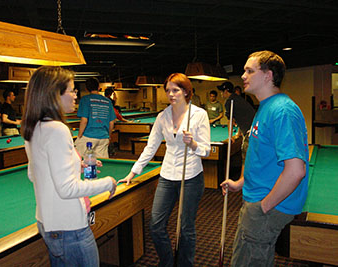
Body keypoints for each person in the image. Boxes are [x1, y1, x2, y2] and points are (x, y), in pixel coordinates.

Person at [21, 66, 117, 266]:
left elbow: (34, 173)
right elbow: (67, 189)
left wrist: (76, 166)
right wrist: (107, 183)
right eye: (72, 91)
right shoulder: (57, 129)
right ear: (55, 95)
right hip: (70, 227)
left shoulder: (34, 127)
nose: (76, 96)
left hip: (47, 223)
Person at [221, 50, 309, 266]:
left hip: (266, 204)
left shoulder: (282, 111)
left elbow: (296, 170)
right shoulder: (265, 107)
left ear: (268, 75)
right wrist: (240, 183)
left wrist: (264, 206)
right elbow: (257, 154)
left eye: (249, 71)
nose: (243, 76)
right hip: (256, 199)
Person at [118, 73, 210, 267]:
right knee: (156, 226)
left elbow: (206, 151)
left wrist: (193, 144)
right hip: (167, 176)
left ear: (185, 91)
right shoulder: (162, 116)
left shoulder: (199, 114)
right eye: (168, 90)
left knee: (186, 228)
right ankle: (167, 262)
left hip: (191, 176)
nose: (170, 94)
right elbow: (150, 147)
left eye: (175, 90)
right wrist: (133, 172)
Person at [75, 77, 116, 158]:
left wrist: (79, 136)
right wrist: (109, 136)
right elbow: (111, 122)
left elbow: (84, 120)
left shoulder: (85, 99)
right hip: (103, 137)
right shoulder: (108, 101)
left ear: (86, 88)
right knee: (101, 164)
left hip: (88, 136)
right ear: (98, 87)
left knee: (81, 162)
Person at [217, 81, 255, 169]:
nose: (221, 94)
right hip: (254, 129)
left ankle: (244, 180)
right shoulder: (237, 98)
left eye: (221, 91)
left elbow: (230, 121)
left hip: (250, 133)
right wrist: (238, 133)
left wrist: (230, 137)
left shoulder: (229, 102)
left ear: (226, 91)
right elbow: (240, 116)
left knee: (246, 160)